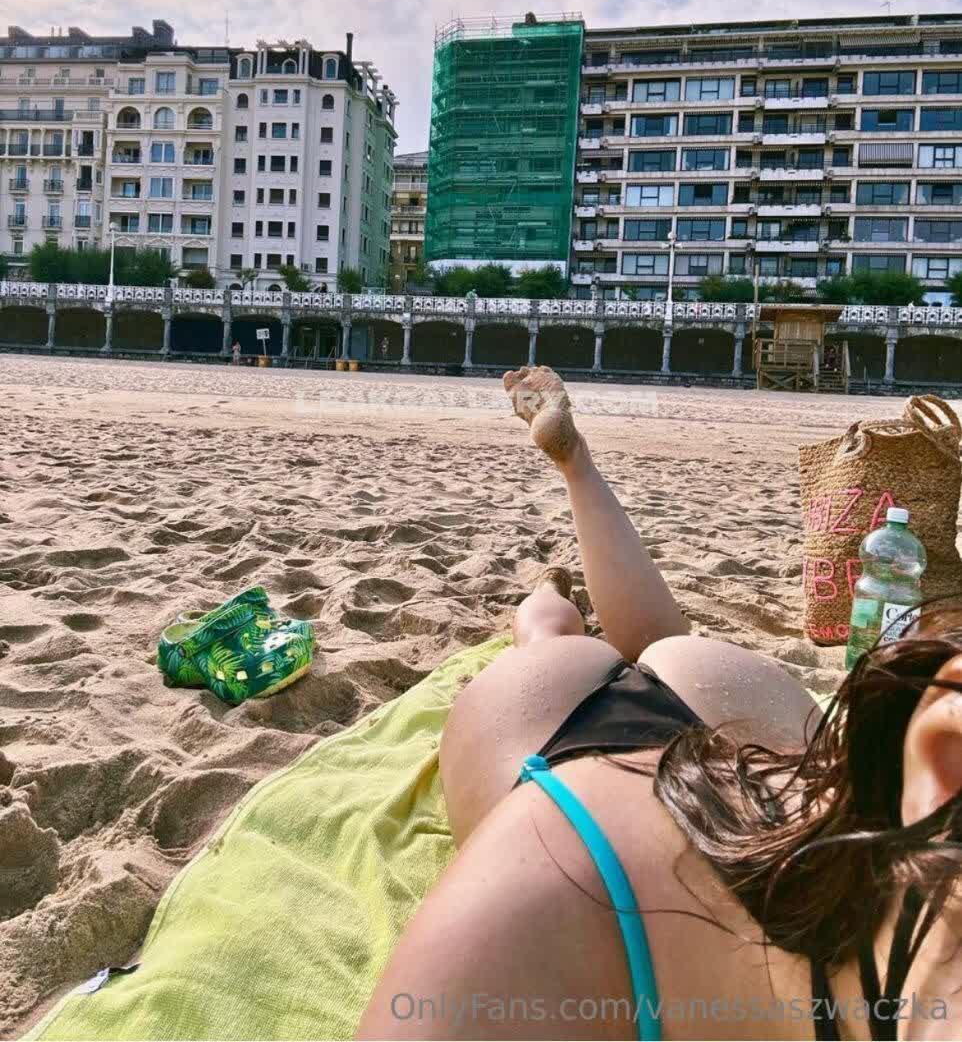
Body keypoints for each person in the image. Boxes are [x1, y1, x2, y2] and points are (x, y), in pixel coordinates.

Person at [359, 366, 962, 1041]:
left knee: (601, 643)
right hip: (574, 778)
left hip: (733, 736)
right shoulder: (516, 925)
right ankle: (555, 564)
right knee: (564, 642)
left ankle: (571, 500)